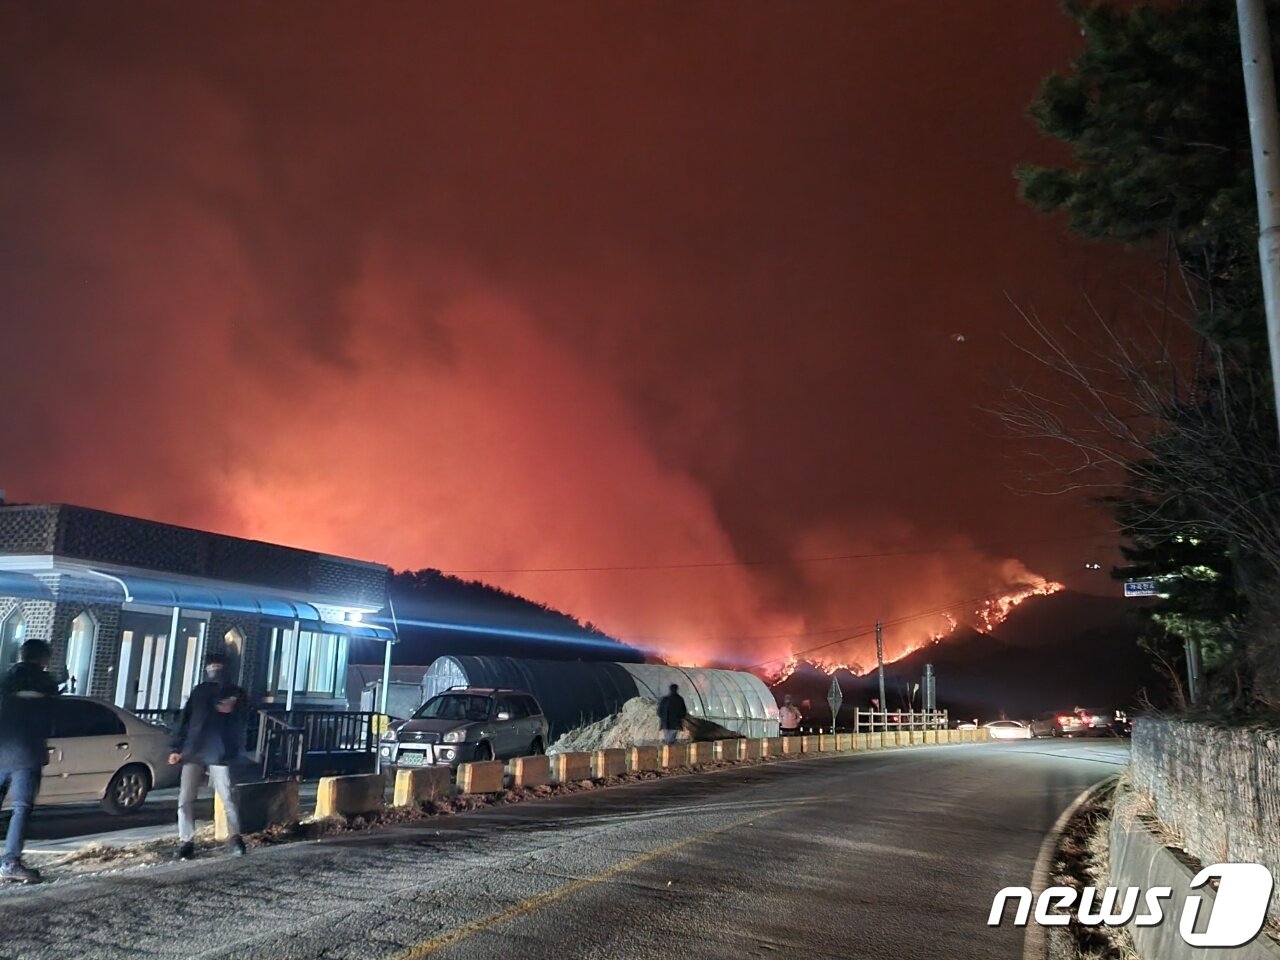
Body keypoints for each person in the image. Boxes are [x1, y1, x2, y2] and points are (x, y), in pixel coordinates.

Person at [169, 654, 248, 860]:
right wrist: (176, 748)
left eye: (216, 666)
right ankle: (186, 841)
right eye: (211, 667)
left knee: (227, 797)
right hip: (194, 752)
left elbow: (239, 718)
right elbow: (185, 720)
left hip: (218, 753)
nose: (213, 670)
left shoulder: (234, 692)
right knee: (185, 799)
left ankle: (235, 838)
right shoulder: (200, 691)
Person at [0, 639, 60, 883]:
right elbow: (54, 719)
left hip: (1, 745)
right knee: (21, 808)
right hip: (28, 750)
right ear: (44, 659)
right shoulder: (47, 684)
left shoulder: (5, 678)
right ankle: (10, 862)